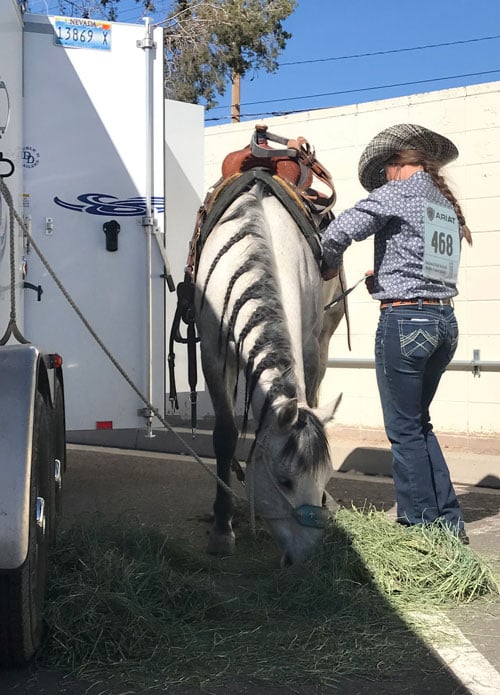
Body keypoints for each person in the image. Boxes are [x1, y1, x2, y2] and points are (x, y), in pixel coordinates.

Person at [321, 123, 472, 542]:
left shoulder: (398, 192)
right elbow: (425, 268)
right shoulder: (441, 202)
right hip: (443, 322)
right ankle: (447, 523)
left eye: (384, 171)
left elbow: (336, 232)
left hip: (407, 323)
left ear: (396, 164)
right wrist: (383, 280)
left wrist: (330, 266)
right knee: (419, 424)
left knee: (403, 431)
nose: (383, 179)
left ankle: (420, 528)